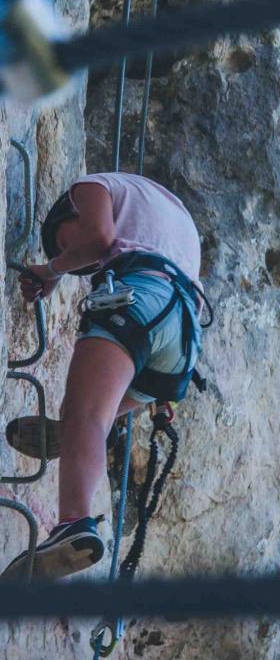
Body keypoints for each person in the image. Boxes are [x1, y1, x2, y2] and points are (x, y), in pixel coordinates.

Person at [2, 172, 205, 581]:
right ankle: (79, 436)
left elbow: (98, 240)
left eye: (64, 240)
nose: (85, 262)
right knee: (98, 414)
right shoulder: (171, 213)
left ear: (67, 212)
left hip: (140, 302)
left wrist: (53, 268)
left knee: (85, 414)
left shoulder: (91, 187)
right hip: (183, 340)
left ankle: (73, 523)